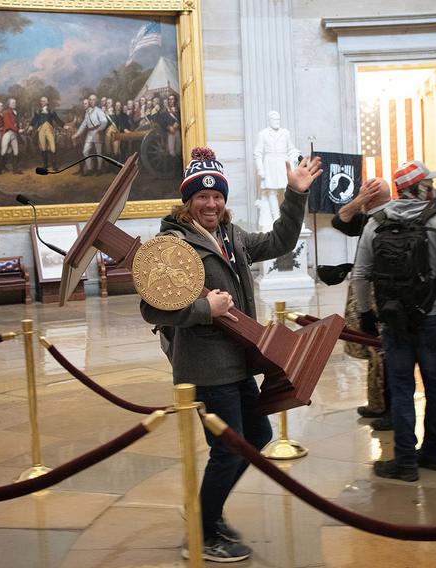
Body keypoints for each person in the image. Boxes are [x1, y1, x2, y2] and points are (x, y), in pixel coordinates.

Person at [140, 147, 321, 562]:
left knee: (256, 437)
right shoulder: (172, 244)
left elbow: (280, 240)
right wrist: (206, 308)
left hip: (239, 360)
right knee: (228, 448)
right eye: (202, 197)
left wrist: (294, 195)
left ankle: (208, 511)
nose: (211, 203)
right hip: (205, 366)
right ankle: (202, 533)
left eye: (217, 195)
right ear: (188, 201)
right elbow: (152, 308)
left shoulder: (231, 235)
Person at [353, 160, 436, 482]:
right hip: (434, 317)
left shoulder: (376, 222)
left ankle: (405, 460)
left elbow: (361, 274)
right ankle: (434, 453)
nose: (434, 188)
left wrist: (366, 313)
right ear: (422, 188)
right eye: (429, 184)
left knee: (401, 388)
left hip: (394, 321)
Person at [330, 177, 393, 425]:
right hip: (369, 291)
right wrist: (360, 201)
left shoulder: (389, 216)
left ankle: (390, 410)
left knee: (383, 351)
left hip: (381, 294)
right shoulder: (369, 216)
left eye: (364, 193)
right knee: (374, 350)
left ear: (372, 197)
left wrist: (361, 200)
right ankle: (378, 404)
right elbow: (340, 220)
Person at [253, 110, 300, 224]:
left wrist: (295, 155)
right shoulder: (263, 134)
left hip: (283, 162)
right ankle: (276, 217)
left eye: (278, 119)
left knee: (287, 189)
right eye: (274, 120)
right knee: (271, 191)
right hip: (269, 163)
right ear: (269, 121)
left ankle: (288, 215)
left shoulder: (285, 133)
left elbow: (291, 149)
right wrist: (260, 169)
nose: (276, 122)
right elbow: (257, 153)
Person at [72, 94, 107, 175]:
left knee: (99, 152)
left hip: (98, 132)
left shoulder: (99, 111)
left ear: (96, 101)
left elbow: (104, 122)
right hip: (90, 133)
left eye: (94, 99)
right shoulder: (87, 112)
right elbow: (84, 124)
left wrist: (98, 130)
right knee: (85, 151)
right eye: (90, 99)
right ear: (89, 100)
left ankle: (99, 169)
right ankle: (89, 169)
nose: (92, 101)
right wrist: (77, 134)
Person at [28, 96, 65, 170]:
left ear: (47, 102)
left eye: (44, 101)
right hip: (41, 130)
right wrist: (31, 126)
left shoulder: (51, 111)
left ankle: (54, 166)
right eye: (41, 101)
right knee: (43, 147)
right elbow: (34, 120)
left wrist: (64, 125)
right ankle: (45, 165)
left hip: (49, 130)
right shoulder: (38, 111)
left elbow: (57, 119)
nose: (42, 102)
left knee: (53, 147)